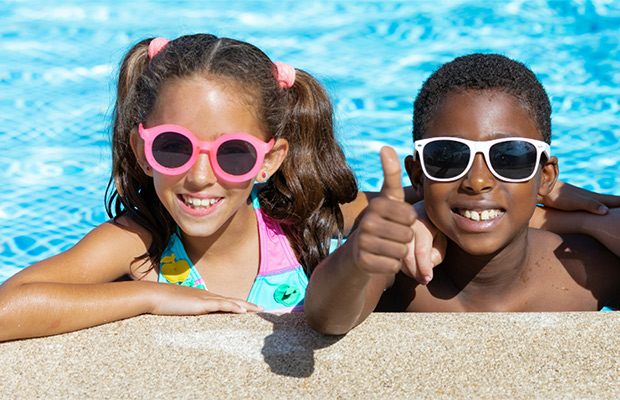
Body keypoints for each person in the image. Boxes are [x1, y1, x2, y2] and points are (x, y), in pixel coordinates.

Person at [0, 33, 361, 342]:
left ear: (268, 161)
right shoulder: (139, 243)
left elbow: (390, 215)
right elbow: (8, 307)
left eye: (233, 153)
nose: (200, 176)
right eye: (173, 147)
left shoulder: (298, 215)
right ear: (143, 151)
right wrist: (148, 296)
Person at [305, 53, 620, 335]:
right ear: (417, 175)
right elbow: (327, 318)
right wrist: (359, 254)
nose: (477, 180)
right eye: (448, 156)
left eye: (510, 157)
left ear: (546, 176)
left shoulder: (588, 269)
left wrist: (587, 222)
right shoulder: (400, 267)